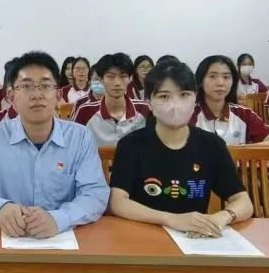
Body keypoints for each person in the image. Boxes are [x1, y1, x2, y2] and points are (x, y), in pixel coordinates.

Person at [0, 50, 108, 238]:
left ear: (58, 94)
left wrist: (59, 219)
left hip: (65, 239)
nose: (37, 95)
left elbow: (95, 193)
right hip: (4, 239)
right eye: (26, 86)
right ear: (11, 96)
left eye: (45, 86)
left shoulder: (80, 137)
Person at [108, 59, 254, 237]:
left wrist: (220, 218)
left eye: (184, 95)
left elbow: (243, 201)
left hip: (193, 240)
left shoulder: (212, 145)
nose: (175, 105)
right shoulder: (131, 144)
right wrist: (171, 219)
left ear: (195, 98)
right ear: (149, 103)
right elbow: (117, 202)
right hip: (143, 236)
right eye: (164, 96)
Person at [191, 55, 269, 146]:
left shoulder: (244, 114)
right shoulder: (190, 115)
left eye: (226, 77)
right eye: (213, 76)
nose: (220, 83)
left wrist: (239, 150)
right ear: (200, 81)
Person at [72, 53, 151, 147]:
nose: (117, 83)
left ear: (130, 79)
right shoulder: (85, 112)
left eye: (123, 76)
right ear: (101, 80)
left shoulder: (144, 109)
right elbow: (73, 145)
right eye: (110, 77)